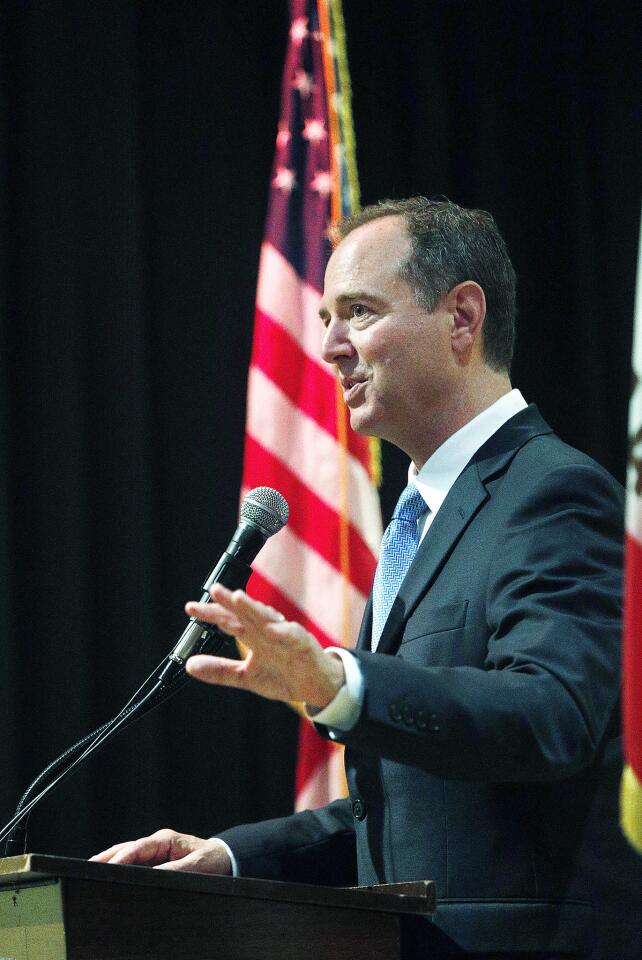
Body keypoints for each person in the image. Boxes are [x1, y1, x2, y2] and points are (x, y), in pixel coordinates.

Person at [92, 199, 638, 959]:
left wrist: (343, 685)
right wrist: (231, 857)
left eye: (358, 312)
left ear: (462, 318)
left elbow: (552, 715)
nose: (328, 347)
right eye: (323, 318)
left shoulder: (552, 495)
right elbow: (413, 808)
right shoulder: (423, 517)